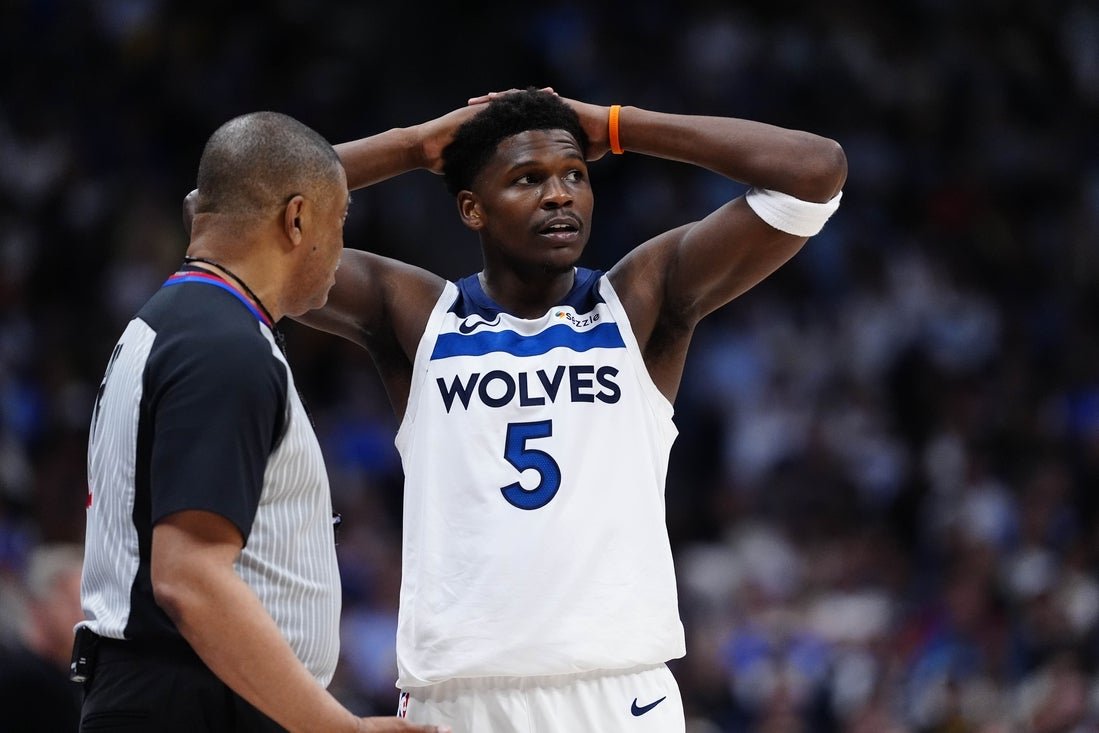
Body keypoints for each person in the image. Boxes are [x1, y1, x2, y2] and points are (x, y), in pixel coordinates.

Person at [287, 87, 848, 732]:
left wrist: (619, 125)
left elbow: (815, 171)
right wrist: (414, 146)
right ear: (472, 208)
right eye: (528, 179)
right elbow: (226, 223)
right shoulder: (417, 315)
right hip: (460, 696)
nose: (559, 195)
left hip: (617, 690)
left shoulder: (637, 302)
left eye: (574, 175)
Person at [80, 111, 448, 733]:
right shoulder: (223, 346)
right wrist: (343, 730)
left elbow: (235, 186)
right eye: (339, 221)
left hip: (172, 695)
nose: (340, 249)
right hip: (193, 703)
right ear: (297, 219)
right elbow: (190, 576)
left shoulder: (180, 319)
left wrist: (411, 147)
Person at [0, 543, 84, 732]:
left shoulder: (71, 678)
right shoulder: (18, 681)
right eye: (73, 604)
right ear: (39, 607)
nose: (82, 616)